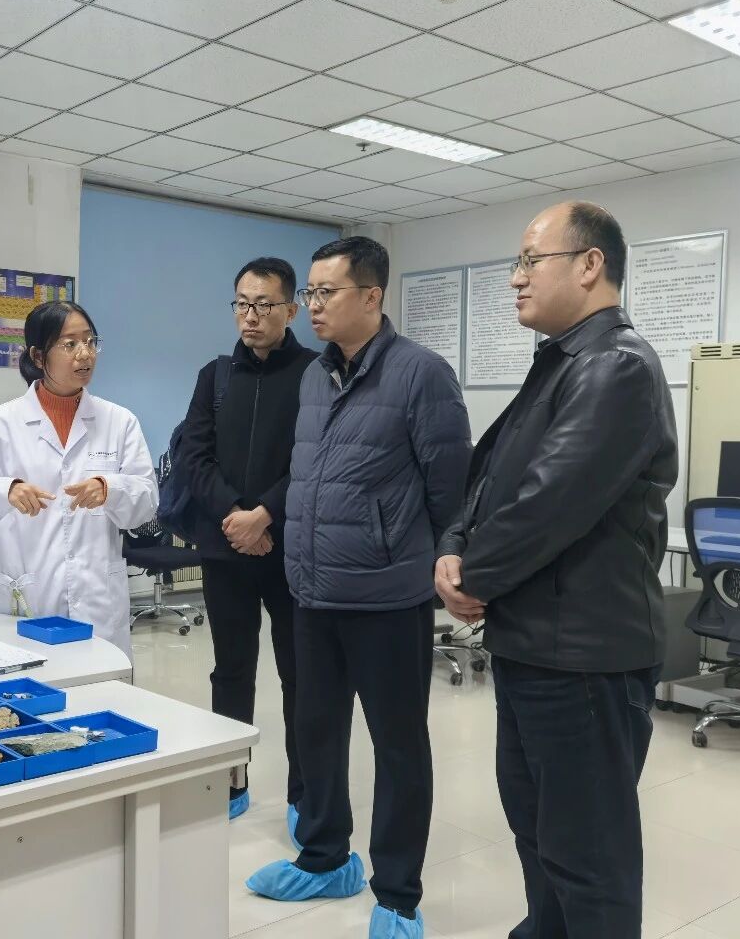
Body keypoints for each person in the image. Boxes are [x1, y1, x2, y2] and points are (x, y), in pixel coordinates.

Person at [435, 202, 677, 939]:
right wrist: (453, 544)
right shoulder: (563, 362)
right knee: (539, 833)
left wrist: (473, 577)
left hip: (584, 657)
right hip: (535, 644)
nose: (515, 278)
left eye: (529, 261)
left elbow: (548, 503)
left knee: (588, 856)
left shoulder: (617, 367)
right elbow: (490, 479)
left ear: (590, 264)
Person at [247, 236, 471, 939]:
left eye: (325, 292)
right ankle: (324, 858)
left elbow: (452, 493)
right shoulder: (317, 376)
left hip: (386, 597)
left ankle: (398, 895)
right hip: (313, 591)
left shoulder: (421, 374)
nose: (311, 306)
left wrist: (444, 563)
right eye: (309, 293)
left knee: (398, 746)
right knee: (315, 731)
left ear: (371, 296)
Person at [175, 256, 318, 822]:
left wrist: (266, 515)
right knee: (231, 669)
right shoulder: (214, 376)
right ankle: (230, 780)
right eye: (241, 304)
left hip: (290, 552)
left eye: (263, 304)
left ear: (292, 309)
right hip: (226, 548)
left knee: (299, 675)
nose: (250, 316)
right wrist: (236, 515)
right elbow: (194, 456)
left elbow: (314, 459)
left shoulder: (315, 373)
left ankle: (304, 793)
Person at [0, 302, 156, 658]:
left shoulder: (120, 422)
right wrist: (4, 491)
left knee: (102, 682)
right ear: (38, 356)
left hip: (98, 599)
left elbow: (145, 501)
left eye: (90, 341)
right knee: (34, 683)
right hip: (29, 597)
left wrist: (109, 489)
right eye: (70, 344)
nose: (85, 353)